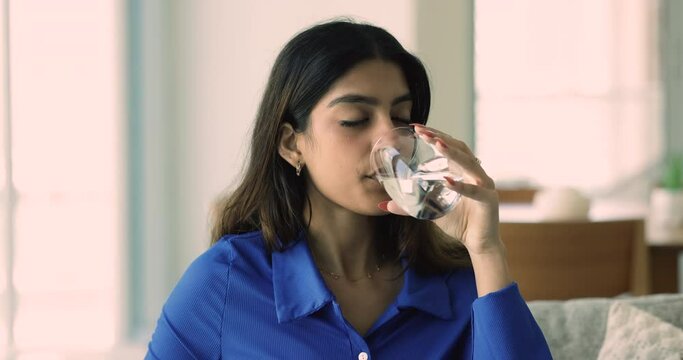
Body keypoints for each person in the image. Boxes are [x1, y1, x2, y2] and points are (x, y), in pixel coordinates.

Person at [145, 19, 552, 359]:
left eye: (400, 117)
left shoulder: (460, 284)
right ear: (291, 144)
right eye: (355, 119)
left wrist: (486, 250)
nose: (386, 139)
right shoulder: (224, 283)